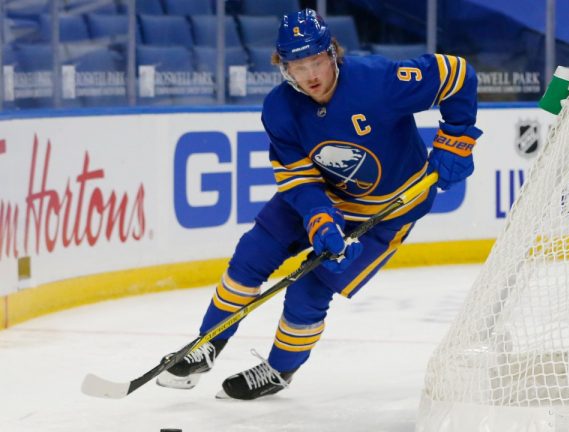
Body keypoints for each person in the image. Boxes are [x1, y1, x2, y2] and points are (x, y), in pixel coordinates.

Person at [155, 8, 481, 400]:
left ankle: (279, 370)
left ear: (332, 54)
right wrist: (321, 220)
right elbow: (298, 180)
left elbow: (457, 74)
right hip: (322, 197)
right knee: (251, 255)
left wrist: (456, 139)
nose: (310, 75)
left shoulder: (378, 81)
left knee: (310, 288)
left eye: (316, 61)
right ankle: (206, 344)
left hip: (386, 213)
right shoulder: (279, 108)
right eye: (297, 65)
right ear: (283, 68)